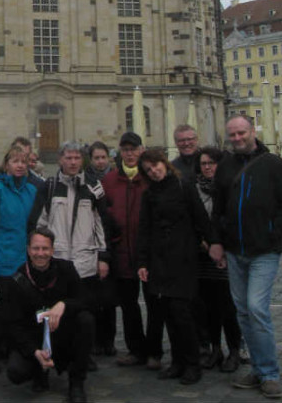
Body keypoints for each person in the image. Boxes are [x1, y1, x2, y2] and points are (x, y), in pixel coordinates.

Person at [209, 115, 282, 400]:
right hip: (235, 251)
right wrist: (218, 242)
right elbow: (219, 209)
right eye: (232, 134)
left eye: (241, 133)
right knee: (244, 312)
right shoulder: (225, 166)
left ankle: (270, 374)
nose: (236, 138)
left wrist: (273, 232)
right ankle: (259, 370)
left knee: (256, 308)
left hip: (264, 251)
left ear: (252, 131)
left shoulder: (273, 164)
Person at [137, 148, 212, 385]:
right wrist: (142, 262)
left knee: (182, 313)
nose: (154, 171)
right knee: (167, 313)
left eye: (156, 166)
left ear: (164, 163)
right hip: (159, 260)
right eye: (148, 170)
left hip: (183, 258)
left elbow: (201, 218)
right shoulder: (149, 194)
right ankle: (177, 362)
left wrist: (214, 244)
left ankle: (192, 363)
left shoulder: (183, 185)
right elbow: (144, 230)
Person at [36, 141, 113, 368]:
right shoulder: (48, 186)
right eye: (68, 158)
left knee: (84, 311)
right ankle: (56, 351)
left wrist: (103, 256)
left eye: (76, 158)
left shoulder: (93, 187)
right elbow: (39, 223)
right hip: (58, 260)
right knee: (56, 310)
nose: (72, 162)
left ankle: (84, 354)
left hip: (85, 261)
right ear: (61, 160)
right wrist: (41, 253)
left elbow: (102, 223)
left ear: (83, 160)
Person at [0, 228, 94, 403]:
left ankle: (76, 382)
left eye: (45, 249)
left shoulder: (66, 269)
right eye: (35, 248)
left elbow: (85, 299)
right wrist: (34, 351)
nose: (40, 253)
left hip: (62, 335)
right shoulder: (17, 280)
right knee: (16, 372)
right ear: (28, 249)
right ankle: (38, 371)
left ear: (53, 250)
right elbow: (13, 325)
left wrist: (64, 304)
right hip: (33, 338)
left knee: (85, 320)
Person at [102, 131, 164, 369]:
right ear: (120, 152)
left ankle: (154, 351)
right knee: (128, 306)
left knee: (154, 304)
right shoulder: (109, 181)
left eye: (133, 149)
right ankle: (136, 349)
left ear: (141, 150)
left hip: (149, 255)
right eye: (125, 149)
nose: (129, 153)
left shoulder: (152, 178)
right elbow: (103, 217)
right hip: (122, 254)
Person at [0, 144, 38, 373]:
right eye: (15, 161)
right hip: (3, 259)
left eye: (24, 162)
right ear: (6, 164)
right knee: (6, 308)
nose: (20, 165)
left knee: (21, 309)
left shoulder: (31, 190)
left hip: (26, 261)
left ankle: (10, 349)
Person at [194, 146, 241, 372]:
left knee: (228, 306)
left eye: (211, 163)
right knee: (208, 306)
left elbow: (234, 219)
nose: (208, 167)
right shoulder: (194, 190)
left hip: (226, 255)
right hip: (203, 256)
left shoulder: (230, 187)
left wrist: (220, 244)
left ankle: (234, 349)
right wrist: (204, 241)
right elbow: (191, 218)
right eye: (203, 164)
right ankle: (215, 349)